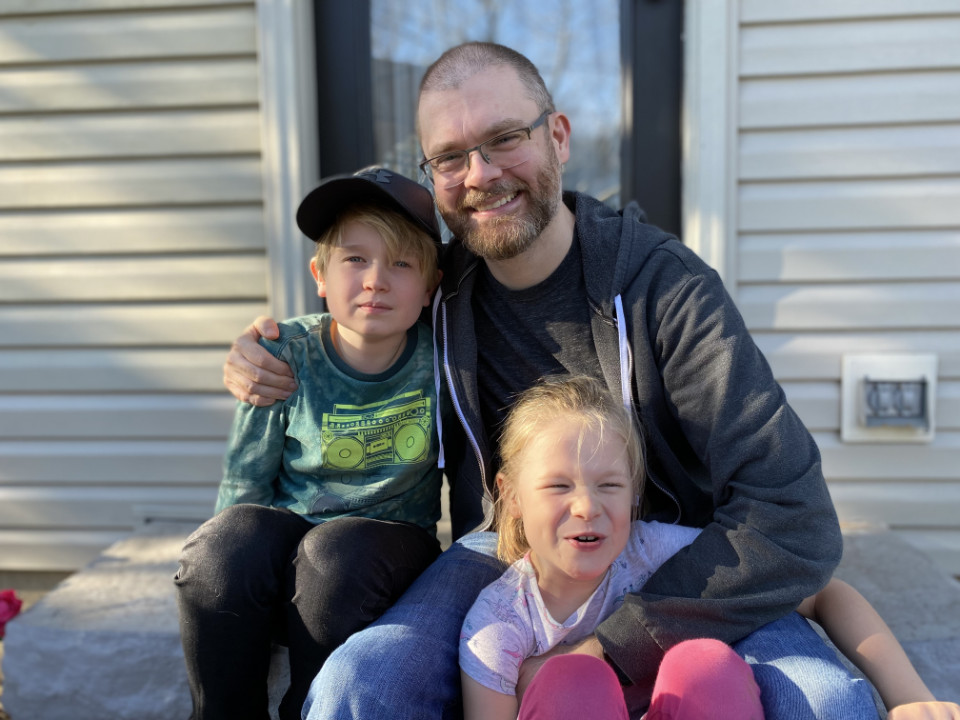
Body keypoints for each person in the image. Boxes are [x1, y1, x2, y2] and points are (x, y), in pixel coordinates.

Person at [223, 42, 873, 719]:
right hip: (508, 552)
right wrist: (268, 352)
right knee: (358, 685)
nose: (479, 174)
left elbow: (796, 519)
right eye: (449, 156)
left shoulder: (666, 289)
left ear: (557, 136)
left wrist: (612, 645)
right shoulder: (437, 288)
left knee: (830, 705)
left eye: (505, 138)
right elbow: (353, 316)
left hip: (673, 557)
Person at [460, 375, 960, 720]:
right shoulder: (498, 627)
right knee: (571, 680)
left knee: (705, 665)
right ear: (511, 495)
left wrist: (910, 696)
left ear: (635, 495)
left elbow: (822, 592)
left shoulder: (653, 554)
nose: (588, 506)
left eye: (609, 485)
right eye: (558, 486)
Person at [175, 167, 446, 720]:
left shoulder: (442, 359)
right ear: (319, 274)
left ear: (430, 287)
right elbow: (244, 484)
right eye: (355, 259)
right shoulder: (284, 355)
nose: (375, 280)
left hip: (383, 548)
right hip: (292, 538)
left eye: (401, 263)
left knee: (333, 557)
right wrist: (231, 567)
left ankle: (311, 709)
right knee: (218, 549)